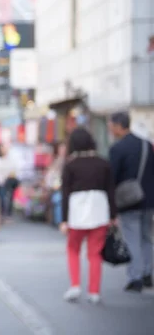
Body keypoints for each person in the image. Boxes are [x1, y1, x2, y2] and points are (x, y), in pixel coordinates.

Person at [60, 127, 117, 303]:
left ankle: (75, 285)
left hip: (76, 211)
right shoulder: (103, 163)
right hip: (100, 210)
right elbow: (110, 191)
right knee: (95, 253)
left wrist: (63, 219)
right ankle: (94, 291)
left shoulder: (70, 165)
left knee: (73, 249)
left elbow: (65, 193)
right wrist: (113, 215)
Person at [108, 112, 154, 292]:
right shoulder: (146, 145)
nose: (110, 129)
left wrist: (111, 205)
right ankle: (148, 273)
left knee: (132, 238)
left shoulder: (117, 149)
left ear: (119, 126)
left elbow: (112, 177)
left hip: (129, 201)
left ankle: (135, 277)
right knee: (146, 237)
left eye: (111, 125)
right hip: (149, 200)